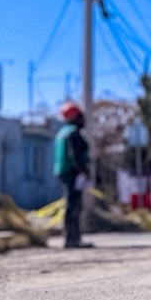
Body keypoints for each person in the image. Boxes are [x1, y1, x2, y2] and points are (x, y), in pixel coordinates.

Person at [53, 101, 92, 250]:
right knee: (74, 206)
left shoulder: (61, 132)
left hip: (63, 172)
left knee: (70, 205)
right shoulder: (73, 133)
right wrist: (85, 172)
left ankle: (73, 238)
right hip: (72, 173)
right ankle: (72, 239)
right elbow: (76, 156)